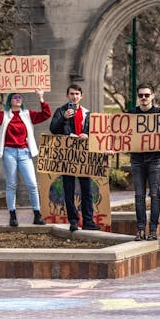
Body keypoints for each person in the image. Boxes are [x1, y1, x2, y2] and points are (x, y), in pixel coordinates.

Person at [0, 88, 50, 226]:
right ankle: (12, 215)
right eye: (15, 97)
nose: (18, 99)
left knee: (32, 184)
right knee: (11, 184)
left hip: (24, 152)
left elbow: (45, 114)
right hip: (9, 152)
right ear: (10, 101)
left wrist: (41, 98)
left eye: (20, 97)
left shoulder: (27, 114)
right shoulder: (4, 115)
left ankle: (37, 215)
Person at [49, 84, 99, 232]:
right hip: (67, 156)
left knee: (87, 189)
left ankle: (88, 221)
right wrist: (63, 118)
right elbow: (53, 129)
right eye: (72, 94)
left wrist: (87, 135)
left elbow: (95, 133)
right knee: (69, 189)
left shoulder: (87, 113)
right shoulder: (61, 111)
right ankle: (73, 221)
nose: (74, 96)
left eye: (77, 94)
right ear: (67, 96)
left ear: (81, 96)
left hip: (84, 157)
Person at [129, 84, 160, 241]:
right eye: (141, 95)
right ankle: (140, 229)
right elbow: (121, 135)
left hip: (155, 160)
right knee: (139, 195)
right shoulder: (130, 114)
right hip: (137, 160)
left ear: (152, 96)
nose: (143, 98)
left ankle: (153, 230)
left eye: (146, 95)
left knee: (155, 195)